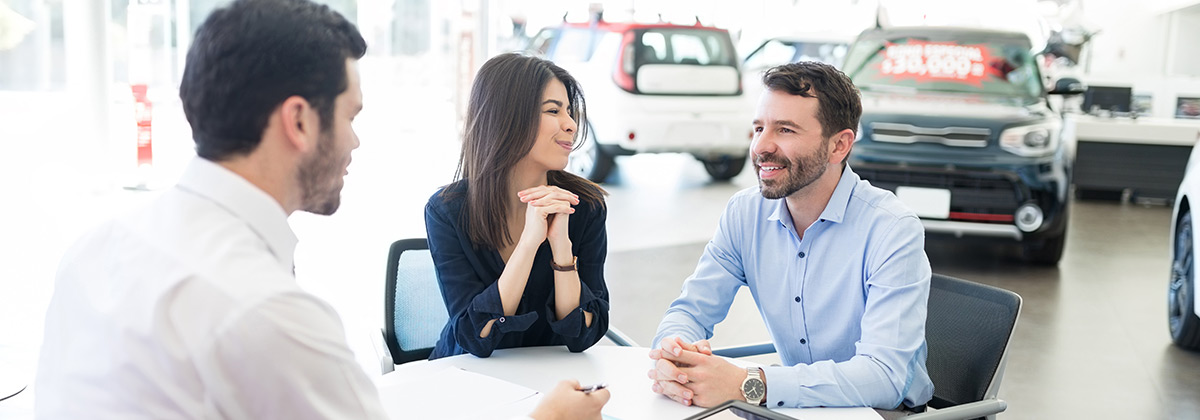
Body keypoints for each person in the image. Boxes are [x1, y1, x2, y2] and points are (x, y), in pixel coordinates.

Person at [33, 1, 608, 419]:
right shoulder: (271, 314)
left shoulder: (94, 248)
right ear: (300, 121)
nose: (356, 142)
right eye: (350, 117)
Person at [646, 61, 934, 413]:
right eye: (758, 128)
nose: (761, 147)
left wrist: (749, 384)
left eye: (785, 130)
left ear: (839, 146)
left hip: (880, 414)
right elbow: (690, 311)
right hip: (793, 406)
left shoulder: (891, 229)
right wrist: (674, 354)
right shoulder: (745, 214)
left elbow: (884, 377)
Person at [425, 53, 610, 359]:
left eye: (569, 111)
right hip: (464, 379)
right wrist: (529, 243)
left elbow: (584, 335)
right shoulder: (448, 211)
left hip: (548, 383)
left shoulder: (584, 207)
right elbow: (476, 337)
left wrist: (561, 247)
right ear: (507, 117)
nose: (571, 125)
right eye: (554, 111)